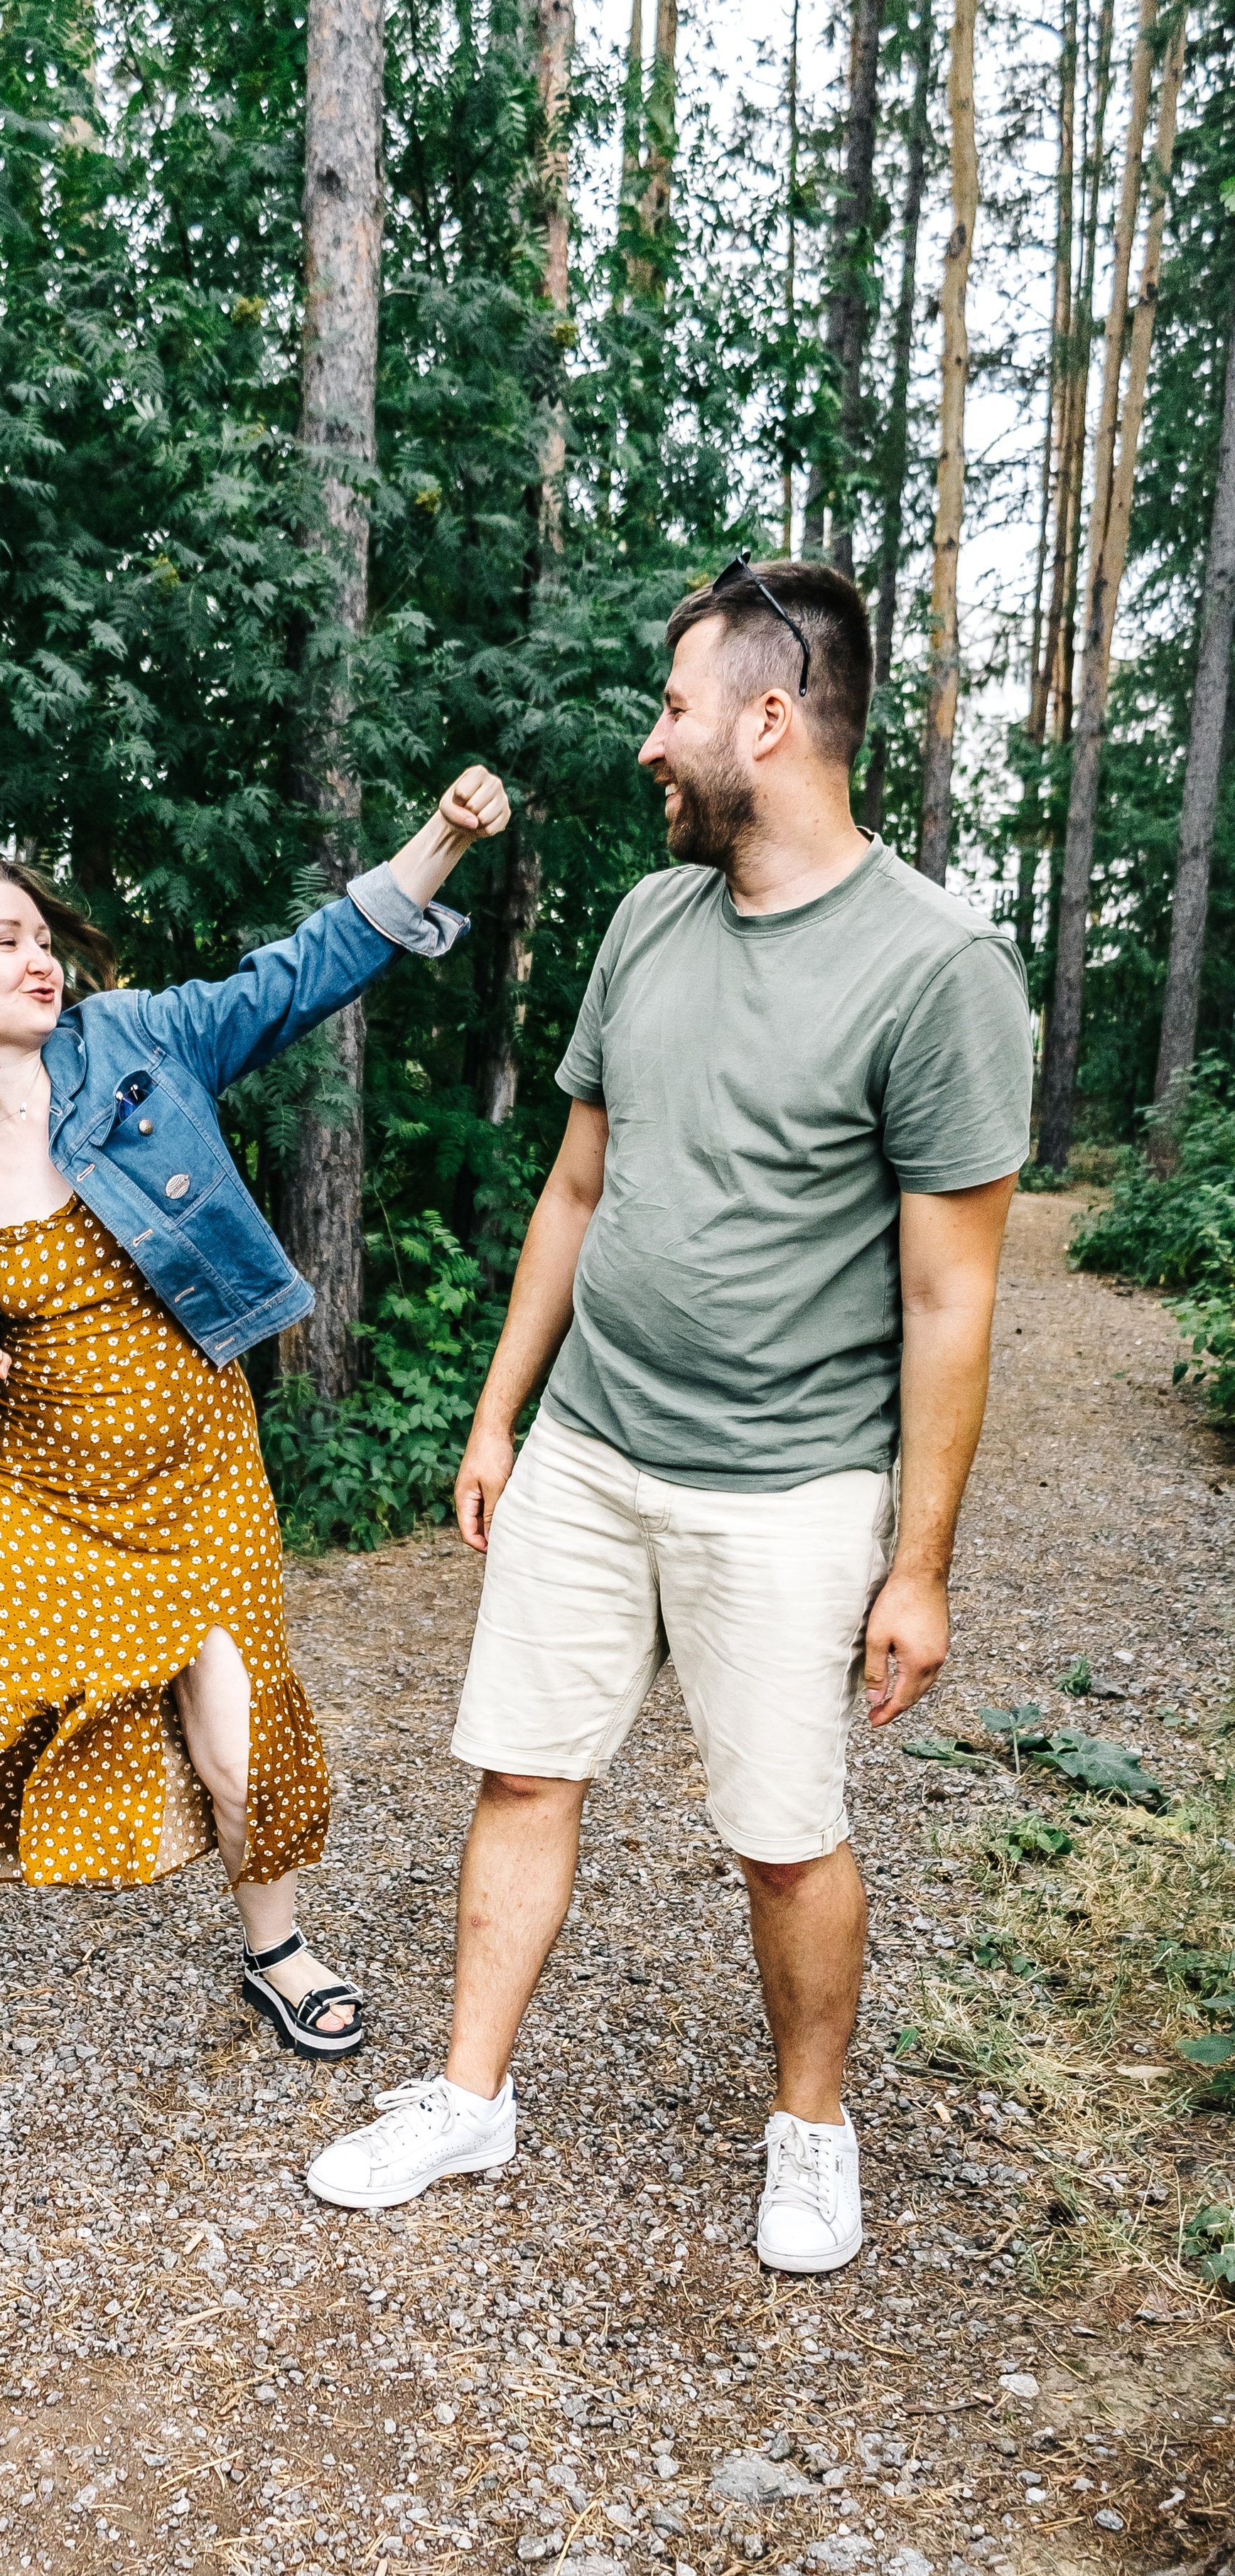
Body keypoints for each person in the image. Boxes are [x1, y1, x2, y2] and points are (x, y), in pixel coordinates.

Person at [306, 558, 1034, 2272]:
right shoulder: (646, 921)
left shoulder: (936, 968)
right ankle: (467, 2096)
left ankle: (810, 2131)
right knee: (522, 1769)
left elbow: (950, 1299)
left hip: (785, 1483)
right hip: (588, 1446)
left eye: (674, 707)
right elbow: (574, 1191)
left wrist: (916, 1565)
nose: (651, 743)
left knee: (781, 1837)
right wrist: (500, 1416)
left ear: (766, 722)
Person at [0, 769, 510, 2108]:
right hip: (40, 1491)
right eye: (6, 939)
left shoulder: (141, 1043)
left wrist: (439, 841)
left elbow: (302, 971)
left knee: (238, 1746)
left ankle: (275, 1949)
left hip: (197, 1469)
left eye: (44, 937)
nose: (40, 957)